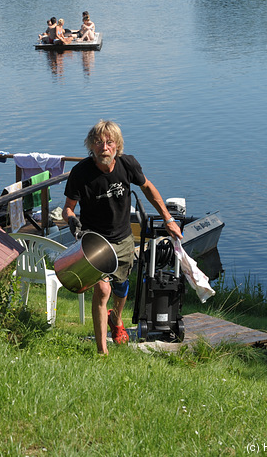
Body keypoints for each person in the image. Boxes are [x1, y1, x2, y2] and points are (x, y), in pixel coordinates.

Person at [62, 120, 182, 356]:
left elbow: (147, 188)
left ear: (117, 145)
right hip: (95, 243)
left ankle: (116, 320)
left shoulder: (128, 165)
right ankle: (102, 351)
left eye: (109, 142)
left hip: (123, 239)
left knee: (121, 288)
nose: (103, 147)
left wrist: (168, 219)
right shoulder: (81, 173)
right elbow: (68, 207)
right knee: (102, 292)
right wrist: (71, 220)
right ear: (91, 146)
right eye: (98, 142)